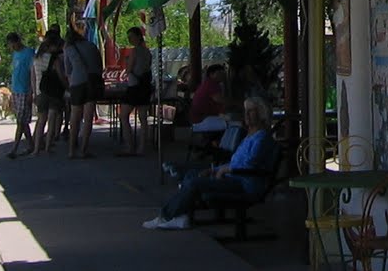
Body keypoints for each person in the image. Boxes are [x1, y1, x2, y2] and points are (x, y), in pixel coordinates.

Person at [143, 96, 276, 230]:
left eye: (251, 111)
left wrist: (224, 170)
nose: (246, 114)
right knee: (192, 174)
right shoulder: (249, 136)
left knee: (194, 183)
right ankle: (181, 216)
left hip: (244, 184)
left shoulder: (262, 138)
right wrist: (214, 170)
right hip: (234, 178)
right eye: (245, 111)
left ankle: (165, 216)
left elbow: (249, 164)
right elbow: (235, 162)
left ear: (261, 114)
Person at [62, 27, 104, 159]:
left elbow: (68, 70)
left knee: (75, 117)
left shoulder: (68, 48)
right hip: (92, 83)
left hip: (77, 83)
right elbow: (100, 65)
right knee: (88, 117)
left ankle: (71, 150)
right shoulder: (92, 46)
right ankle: (83, 150)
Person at [117, 26, 153, 157]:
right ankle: (142, 147)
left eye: (131, 37)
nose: (130, 39)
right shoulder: (148, 52)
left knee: (123, 115)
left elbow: (129, 69)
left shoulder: (134, 51)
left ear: (138, 37)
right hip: (145, 86)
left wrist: (127, 63)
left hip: (134, 86)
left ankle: (130, 146)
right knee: (143, 118)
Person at [30, 27, 67, 154]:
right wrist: (66, 86)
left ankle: (36, 148)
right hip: (54, 92)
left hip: (40, 90)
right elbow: (61, 75)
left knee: (41, 121)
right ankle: (47, 147)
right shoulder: (54, 59)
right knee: (51, 120)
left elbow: (33, 76)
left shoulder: (36, 58)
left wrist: (34, 92)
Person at [5, 32, 36, 158]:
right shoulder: (15, 54)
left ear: (17, 41)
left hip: (25, 90)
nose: (11, 47)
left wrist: (31, 91)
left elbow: (32, 73)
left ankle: (15, 148)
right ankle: (31, 144)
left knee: (21, 121)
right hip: (16, 90)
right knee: (22, 121)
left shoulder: (29, 53)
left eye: (12, 44)